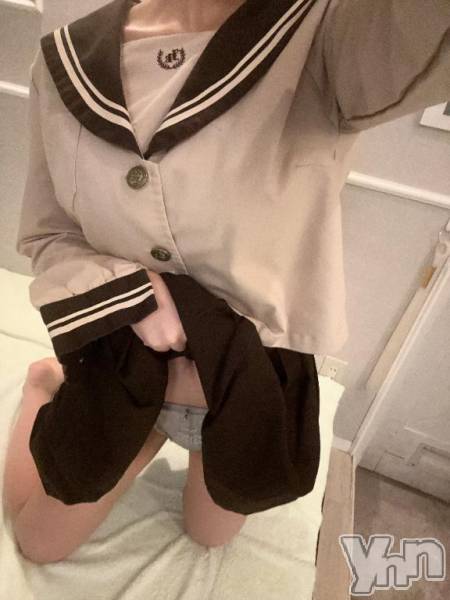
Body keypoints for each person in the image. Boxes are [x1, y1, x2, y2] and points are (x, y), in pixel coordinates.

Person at [4, 0, 450, 566]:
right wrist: (128, 294)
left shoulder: (330, 34)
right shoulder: (66, 60)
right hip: (124, 365)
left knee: (210, 535)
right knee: (37, 540)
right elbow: (47, 233)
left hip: (249, 381)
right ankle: (45, 382)